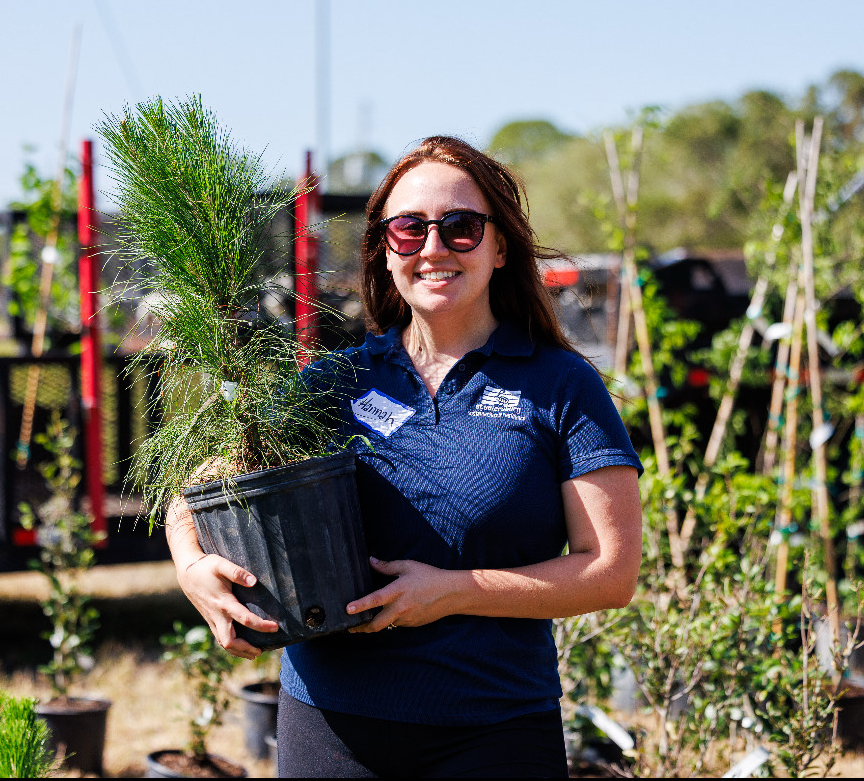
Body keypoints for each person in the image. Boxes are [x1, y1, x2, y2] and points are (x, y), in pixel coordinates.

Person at [165, 135, 643, 777]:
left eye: (462, 227)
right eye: (409, 229)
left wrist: (451, 592)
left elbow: (611, 572)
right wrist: (193, 569)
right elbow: (194, 496)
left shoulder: (560, 385)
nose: (434, 247)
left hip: (495, 730)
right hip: (333, 728)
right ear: (385, 252)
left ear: (501, 247)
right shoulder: (332, 382)